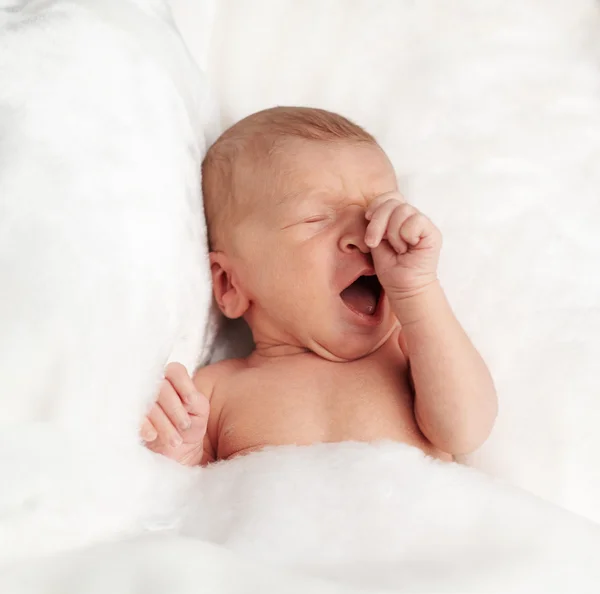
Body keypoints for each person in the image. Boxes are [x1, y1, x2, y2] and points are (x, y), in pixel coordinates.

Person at [140, 106, 498, 466]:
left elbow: (466, 430)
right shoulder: (215, 393)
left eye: (380, 214)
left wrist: (417, 289)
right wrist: (179, 451)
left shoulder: (410, 354)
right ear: (230, 284)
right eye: (318, 218)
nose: (366, 237)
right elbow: (187, 504)